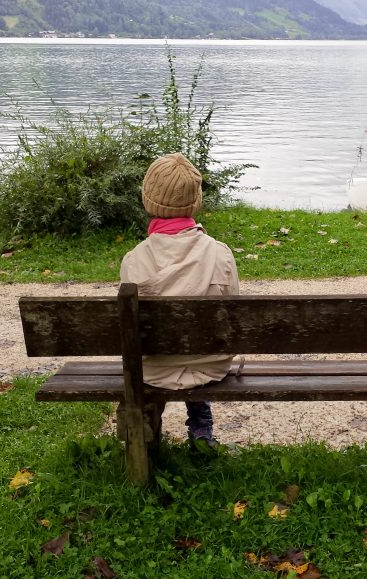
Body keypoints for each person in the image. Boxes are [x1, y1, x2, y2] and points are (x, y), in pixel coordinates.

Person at [119, 153, 238, 452]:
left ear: (148, 198)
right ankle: (201, 423)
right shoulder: (220, 253)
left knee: (171, 348)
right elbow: (234, 316)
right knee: (197, 346)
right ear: (195, 201)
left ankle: (153, 437)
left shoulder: (134, 260)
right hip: (211, 366)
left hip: (154, 369)